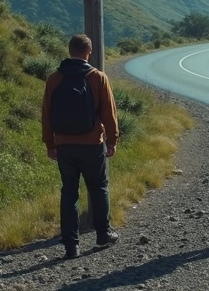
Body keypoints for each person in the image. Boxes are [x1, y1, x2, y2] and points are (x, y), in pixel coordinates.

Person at [41, 34, 120, 260]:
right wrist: (112, 140)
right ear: (89, 51)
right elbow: (109, 113)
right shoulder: (98, 77)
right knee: (98, 188)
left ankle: (71, 246)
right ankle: (103, 235)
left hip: (64, 145)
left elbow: (46, 115)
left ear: (69, 50)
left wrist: (50, 143)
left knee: (69, 193)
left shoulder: (54, 79)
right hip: (92, 144)